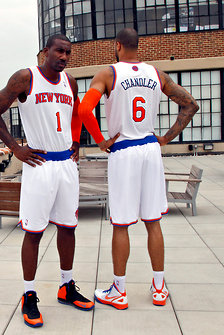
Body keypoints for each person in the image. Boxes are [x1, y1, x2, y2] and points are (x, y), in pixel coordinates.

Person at [78, 28, 199, 309]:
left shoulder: (108, 73)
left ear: (117, 45)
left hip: (124, 150)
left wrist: (100, 141)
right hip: (150, 148)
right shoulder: (157, 74)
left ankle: (119, 291)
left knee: (121, 223)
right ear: (137, 46)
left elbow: (85, 110)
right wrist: (166, 138)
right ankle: (159, 287)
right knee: (153, 221)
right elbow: (190, 105)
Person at [0, 34, 94, 328]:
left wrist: (76, 141)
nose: (64, 57)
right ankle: (28, 294)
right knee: (34, 232)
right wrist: (15, 148)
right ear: (45, 52)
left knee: (68, 228)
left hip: (66, 165)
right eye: (59, 51)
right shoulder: (25, 77)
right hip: (40, 163)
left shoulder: (69, 82)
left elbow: (75, 114)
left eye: (68, 53)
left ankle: (66, 286)